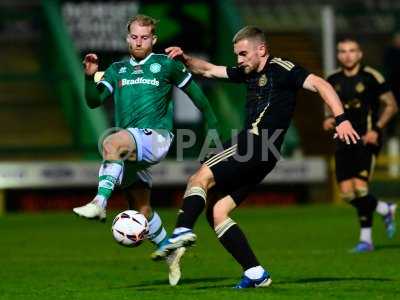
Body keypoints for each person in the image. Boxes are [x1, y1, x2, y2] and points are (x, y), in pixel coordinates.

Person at [150, 26, 360, 288]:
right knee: (217, 211)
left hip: (256, 143)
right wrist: (185, 59)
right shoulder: (247, 72)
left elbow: (320, 83)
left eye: (242, 54)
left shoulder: (282, 69)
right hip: (266, 154)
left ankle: (181, 230)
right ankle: (255, 273)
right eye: (237, 55)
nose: (239, 60)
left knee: (199, 176)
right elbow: (208, 70)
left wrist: (341, 119)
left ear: (261, 50)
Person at [72, 14, 218, 286]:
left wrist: (214, 129)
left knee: (111, 142)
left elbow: (197, 96)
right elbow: (93, 102)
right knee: (142, 209)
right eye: (134, 37)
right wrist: (88, 77)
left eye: (144, 37)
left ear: (154, 40)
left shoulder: (166, 65)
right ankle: (172, 253)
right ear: (128, 38)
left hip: (156, 138)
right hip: (132, 147)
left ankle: (99, 204)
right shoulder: (117, 69)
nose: (138, 42)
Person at [324, 38, 398, 252]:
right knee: (347, 193)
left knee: (360, 187)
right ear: (338, 55)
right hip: (342, 140)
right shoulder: (332, 79)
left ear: (360, 54)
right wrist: (328, 119)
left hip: (366, 139)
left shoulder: (372, 77)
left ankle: (366, 240)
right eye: (343, 51)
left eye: (352, 50)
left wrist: (377, 129)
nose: (347, 55)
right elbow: (328, 108)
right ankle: (385, 209)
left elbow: (391, 105)